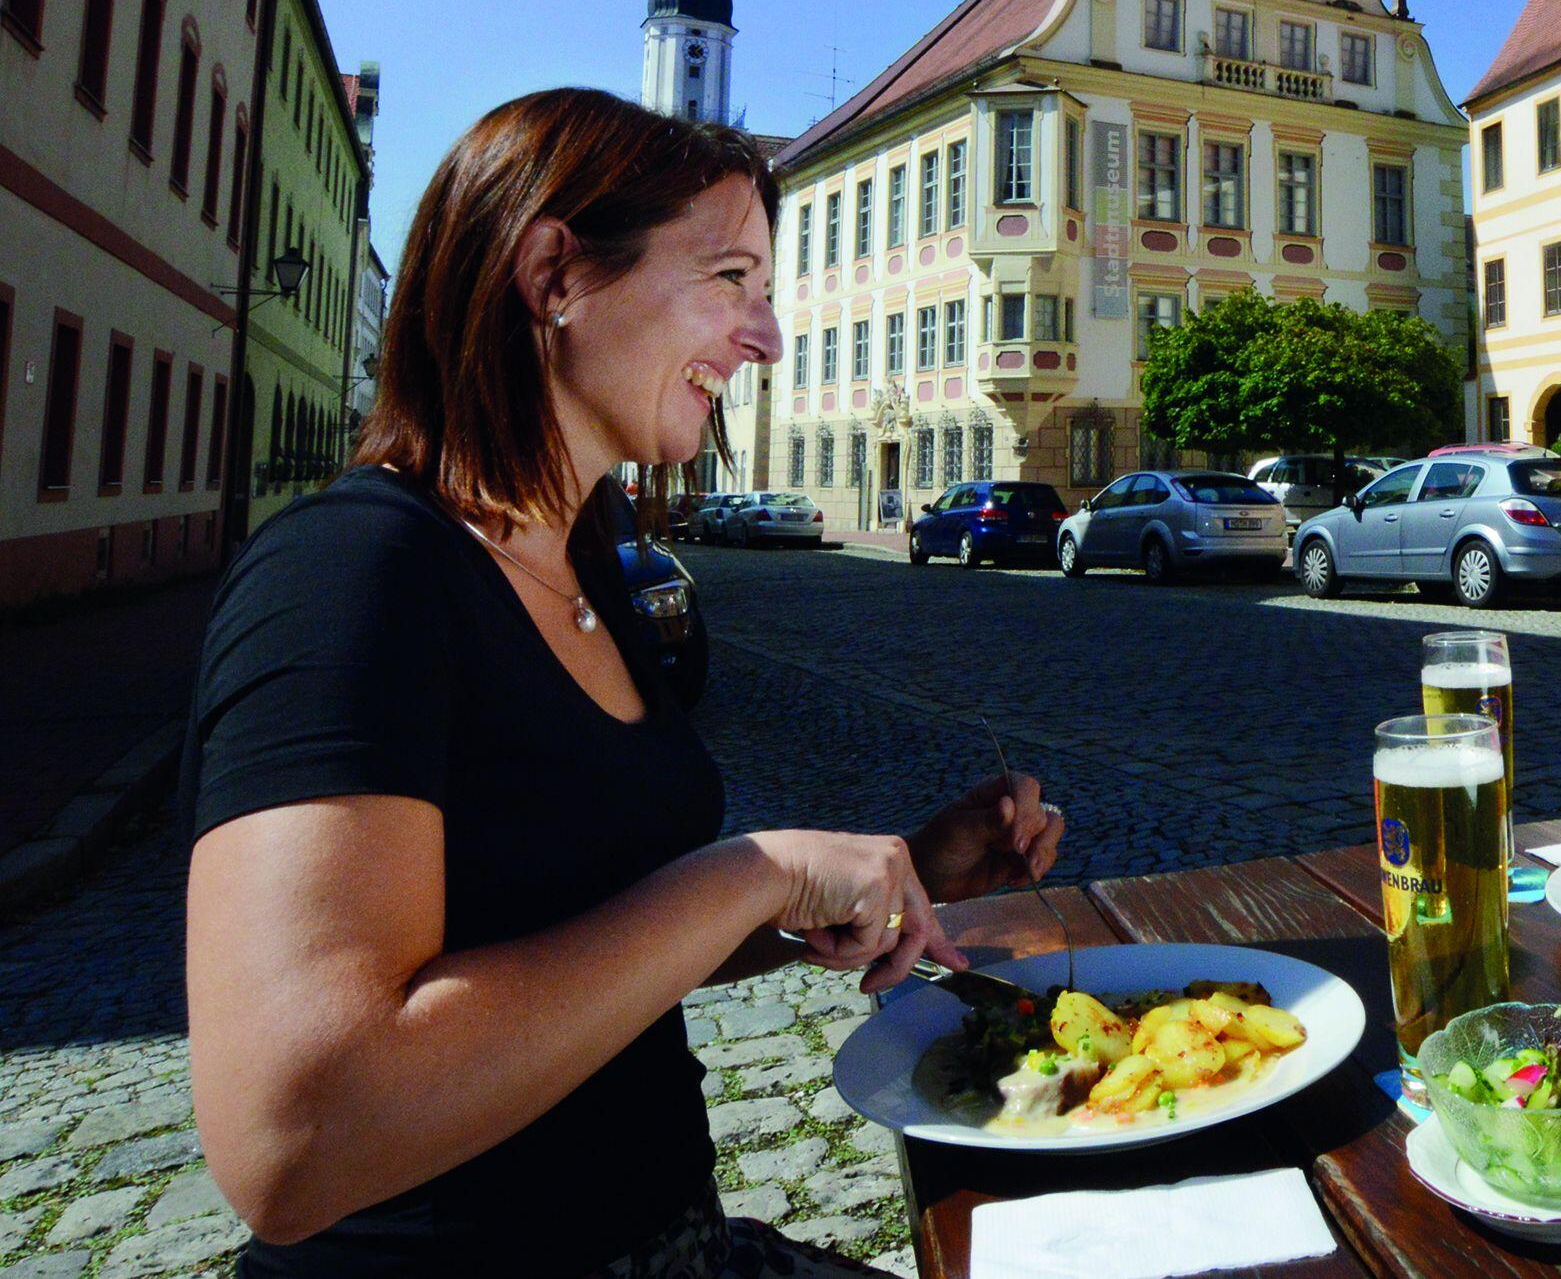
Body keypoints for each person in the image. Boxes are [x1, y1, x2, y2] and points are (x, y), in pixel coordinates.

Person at [183, 89, 1067, 1276]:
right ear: (554, 273)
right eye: (730, 281)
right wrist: (757, 870)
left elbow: (591, 936)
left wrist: (884, 869)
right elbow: (293, 1140)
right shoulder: (350, 574)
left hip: (676, 1245)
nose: (765, 340)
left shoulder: (586, 567)